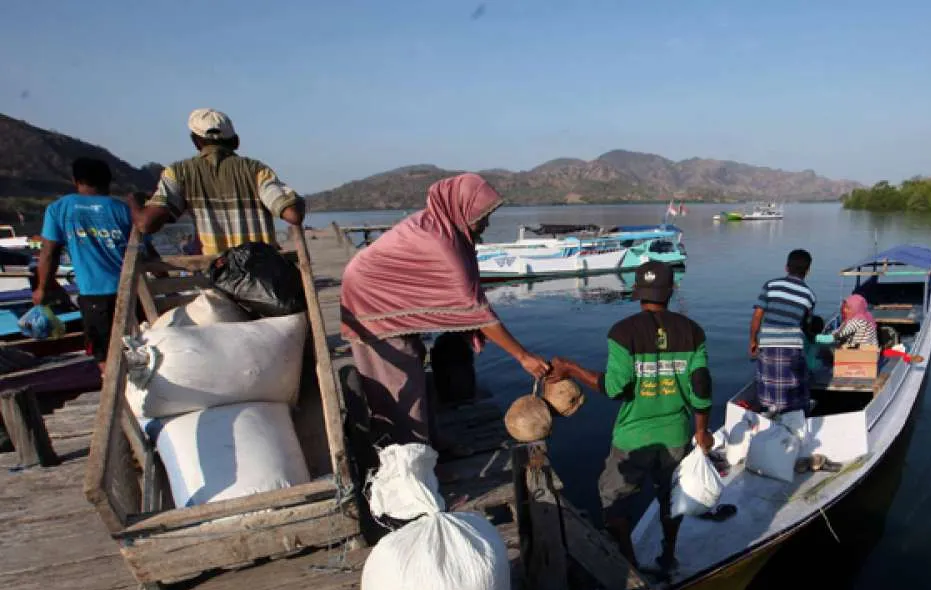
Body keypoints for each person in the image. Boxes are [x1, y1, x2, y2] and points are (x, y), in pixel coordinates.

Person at [340, 173, 548, 452]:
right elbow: (473, 308)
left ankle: (430, 443)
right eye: (480, 215)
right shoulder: (440, 243)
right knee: (398, 384)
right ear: (460, 207)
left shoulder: (443, 226)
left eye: (488, 214)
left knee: (415, 364)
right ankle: (414, 464)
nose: (485, 222)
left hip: (389, 298)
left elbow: (469, 299)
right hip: (371, 300)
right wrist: (522, 356)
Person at [549, 260, 713, 576]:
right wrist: (702, 432)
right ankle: (668, 556)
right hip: (677, 435)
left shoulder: (623, 332)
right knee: (672, 499)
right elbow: (701, 386)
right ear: (671, 291)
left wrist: (571, 369)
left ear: (637, 292)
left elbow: (613, 387)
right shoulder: (693, 331)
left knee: (613, 498)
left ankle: (630, 563)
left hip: (631, 440)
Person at [129, 109, 303, 254]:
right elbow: (292, 215)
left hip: (217, 280)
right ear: (235, 141)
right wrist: (295, 199)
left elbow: (146, 224)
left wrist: (134, 202)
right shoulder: (257, 170)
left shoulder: (178, 173)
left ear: (195, 141)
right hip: (264, 281)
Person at [34, 158, 133, 367]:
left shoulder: (60, 208)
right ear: (108, 181)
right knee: (138, 346)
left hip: (94, 296)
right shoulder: (123, 209)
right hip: (131, 291)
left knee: (105, 355)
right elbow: (146, 253)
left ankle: (111, 390)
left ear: (75, 180)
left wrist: (43, 287)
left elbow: (49, 252)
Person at [748, 249, 816, 416]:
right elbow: (806, 326)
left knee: (766, 378)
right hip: (792, 345)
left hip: (767, 342)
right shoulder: (809, 296)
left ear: (786, 267)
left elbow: (757, 316)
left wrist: (752, 341)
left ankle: (767, 409)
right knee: (795, 380)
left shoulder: (771, 286)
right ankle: (795, 411)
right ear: (808, 271)